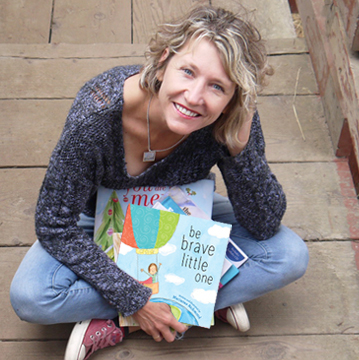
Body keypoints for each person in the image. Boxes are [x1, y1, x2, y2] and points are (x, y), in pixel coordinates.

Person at [10, 4, 309, 360]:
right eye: (187, 71)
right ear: (165, 60)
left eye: (217, 86)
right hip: (97, 217)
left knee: (289, 255)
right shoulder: (96, 118)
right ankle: (194, 301)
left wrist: (240, 152)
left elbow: (263, 224)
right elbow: (53, 224)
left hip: (182, 214)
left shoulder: (231, 119)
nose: (194, 97)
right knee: (32, 295)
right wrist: (133, 299)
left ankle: (147, 311)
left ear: (233, 99)